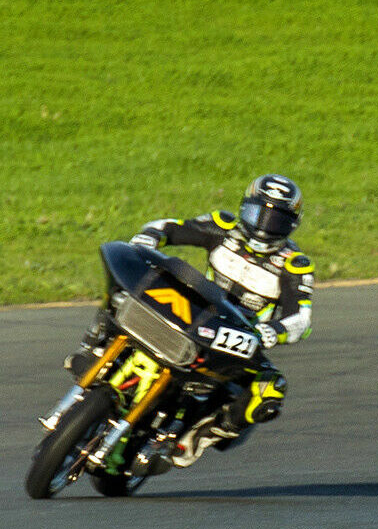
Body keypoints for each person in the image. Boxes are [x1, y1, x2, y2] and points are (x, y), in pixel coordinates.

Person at [120, 173, 312, 466]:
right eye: (257, 213)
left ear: (291, 225)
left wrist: (272, 331)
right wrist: (150, 237)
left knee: (273, 388)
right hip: (196, 314)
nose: (263, 227)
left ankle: (201, 435)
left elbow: (301, 318)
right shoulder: (222, 228)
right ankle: (95, 349)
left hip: (241, 339)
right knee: (129, 296)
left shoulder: (294, 266)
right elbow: (170, 227)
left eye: (275, 221)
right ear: (244, 207)